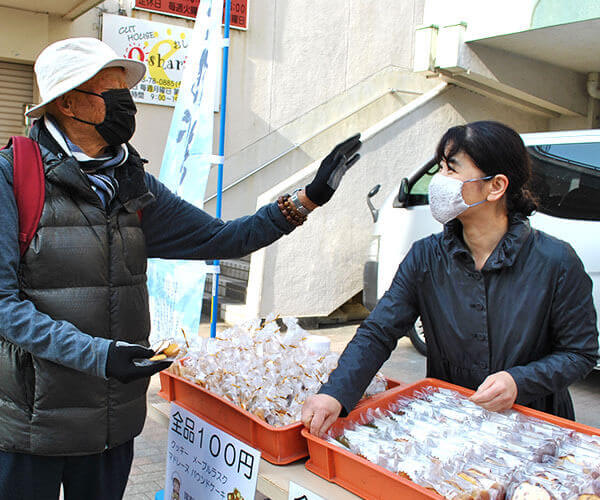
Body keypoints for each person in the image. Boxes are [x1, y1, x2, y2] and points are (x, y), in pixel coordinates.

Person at [0, 37, 361, 499]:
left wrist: (307, 199)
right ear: (69, 103)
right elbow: (6, 308)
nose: (125, 105)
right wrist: (99, 355)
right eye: (111, 93)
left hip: (113, 420)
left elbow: (222, 237)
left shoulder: (133, 183)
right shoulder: (13, 177)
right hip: (32, 426)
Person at [302, 120, 599, 437]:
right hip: (451, 424)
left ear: (496, 186)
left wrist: (519, 381)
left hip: (534, 428)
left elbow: (579, 352)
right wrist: (336, 392)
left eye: (452, 170)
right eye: (441, 168)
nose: (439, 182)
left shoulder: (555, 261)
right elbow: (379, 331)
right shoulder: (426, 257)